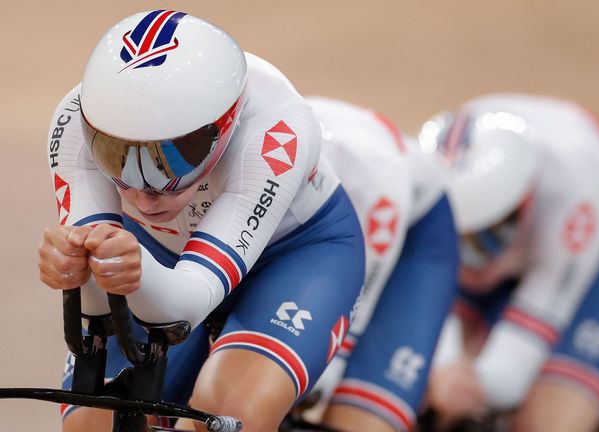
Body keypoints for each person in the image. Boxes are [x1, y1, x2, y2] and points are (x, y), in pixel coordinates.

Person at [38, 10, 365, 432]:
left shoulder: (278, 126)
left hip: (294, 255)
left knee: (230, 413)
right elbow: (96, 306)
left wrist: (118, 266)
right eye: (116, 156)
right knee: (91, 425)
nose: (141, 194)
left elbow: (183, 304)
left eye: (170, 161)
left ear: (225, 127)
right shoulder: (73, 122)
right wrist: (75, 269)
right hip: (155, 255)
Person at [420, 94, 599, 431]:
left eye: (487, 233)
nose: (474, 256)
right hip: (526, 232)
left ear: (523, 200)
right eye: (460, 238)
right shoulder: (420, 181)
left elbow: (511, 370)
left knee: (546, 420)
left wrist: (473, 382)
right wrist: (445, 361)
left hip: (596, 241)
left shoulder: (576, 188)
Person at [303, 97, 459, 432]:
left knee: (337, 403)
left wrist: (326, 367)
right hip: (327, 234)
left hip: (412, 242)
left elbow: (359, 291)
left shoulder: (373, 170)